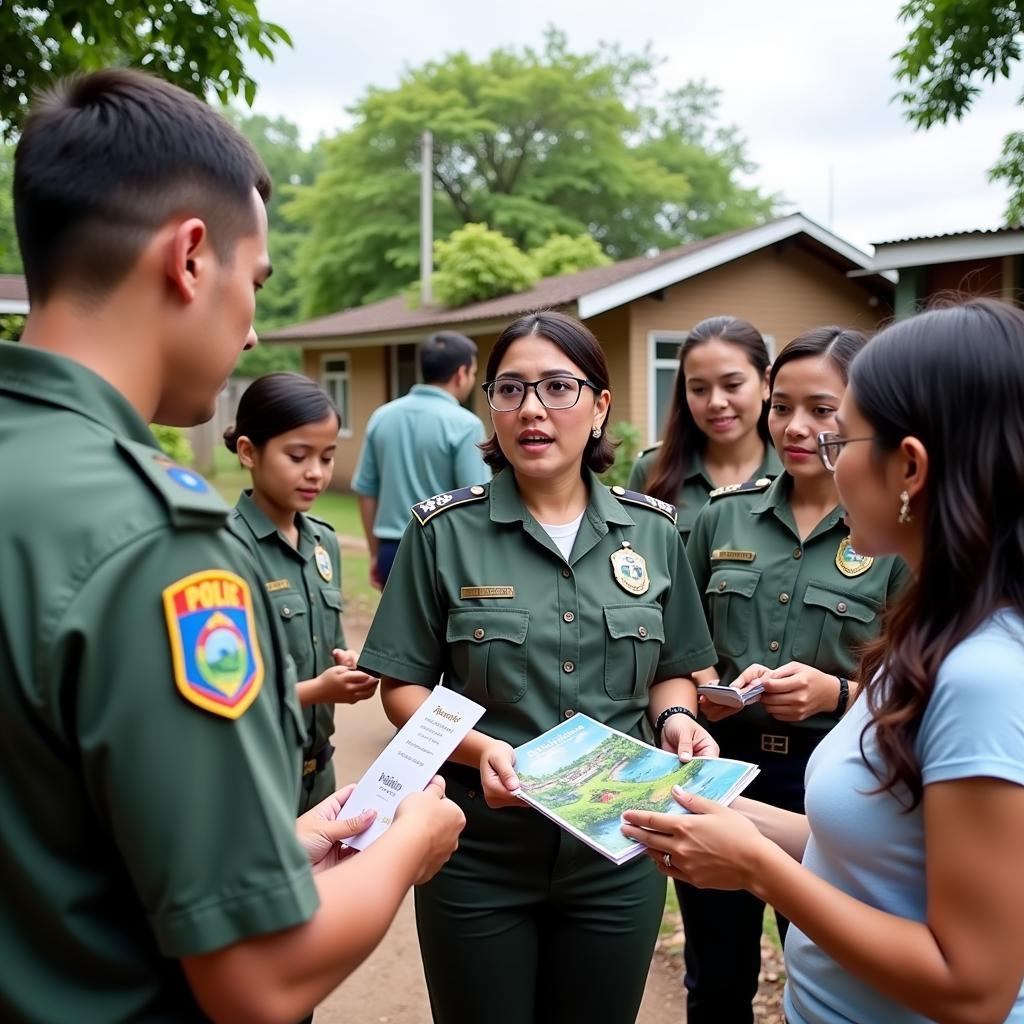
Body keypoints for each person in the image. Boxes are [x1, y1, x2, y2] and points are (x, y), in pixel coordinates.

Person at [0, 68, 464, 1023]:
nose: (251, 330)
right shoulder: (155, 543)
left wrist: (276, 846)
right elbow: (258, 980)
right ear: (190, 258)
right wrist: (412, 838)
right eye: (252, 285)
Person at [623, 299, 1024, 1024]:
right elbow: (875, 856)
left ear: (908, 466)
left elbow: (974, 987)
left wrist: (756, 867)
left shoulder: (984, 677)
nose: (820, 457)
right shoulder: (935, 637)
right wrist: (714, 811)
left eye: (842, 440)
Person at [357, 310, 720, 1024]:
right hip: (476, 851)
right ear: (487, 406)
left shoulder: (654, 530)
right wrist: (483, 747)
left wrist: (677, 718)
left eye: (558, 387)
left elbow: (675, 668)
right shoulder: (443, 532)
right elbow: (401, 688)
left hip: (617, 850)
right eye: (510, 389)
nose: (532, 410)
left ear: (599, 405)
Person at [671, 327, 909, 1024]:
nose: (796, 427)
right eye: (781, 406)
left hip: (836, 781)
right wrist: (700, 698)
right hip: (726, 770)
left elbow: (924, 690)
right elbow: (680, 649)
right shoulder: (723, 516)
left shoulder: (891, 534)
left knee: (827, 960)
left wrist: (835, 693)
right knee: (715, 979)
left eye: (823, 409)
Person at [225, 372, 379, 813]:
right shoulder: (223, 549)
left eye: (327, 457)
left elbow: (327, 643)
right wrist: (316, 690)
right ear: (248, 452)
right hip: (257, 779)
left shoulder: (322, 542)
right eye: (298, 456)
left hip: (320, 773)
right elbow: (223, 694)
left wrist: (346, 664)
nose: (316, 472)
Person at [352, 330, 490, 588]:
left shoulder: (382, 416)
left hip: (390, 551)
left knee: (399, 629)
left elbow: (366, 490)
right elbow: (476, 500)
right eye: (473, 373)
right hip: (442, 554)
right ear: (461, 373)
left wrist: (374, 553)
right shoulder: (465, 424)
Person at [627, 315, 782, 544]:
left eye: (732, 385)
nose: (716, 402)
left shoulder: (794, 473)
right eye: (699, 389)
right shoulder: (652, 471)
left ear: (766, 382)